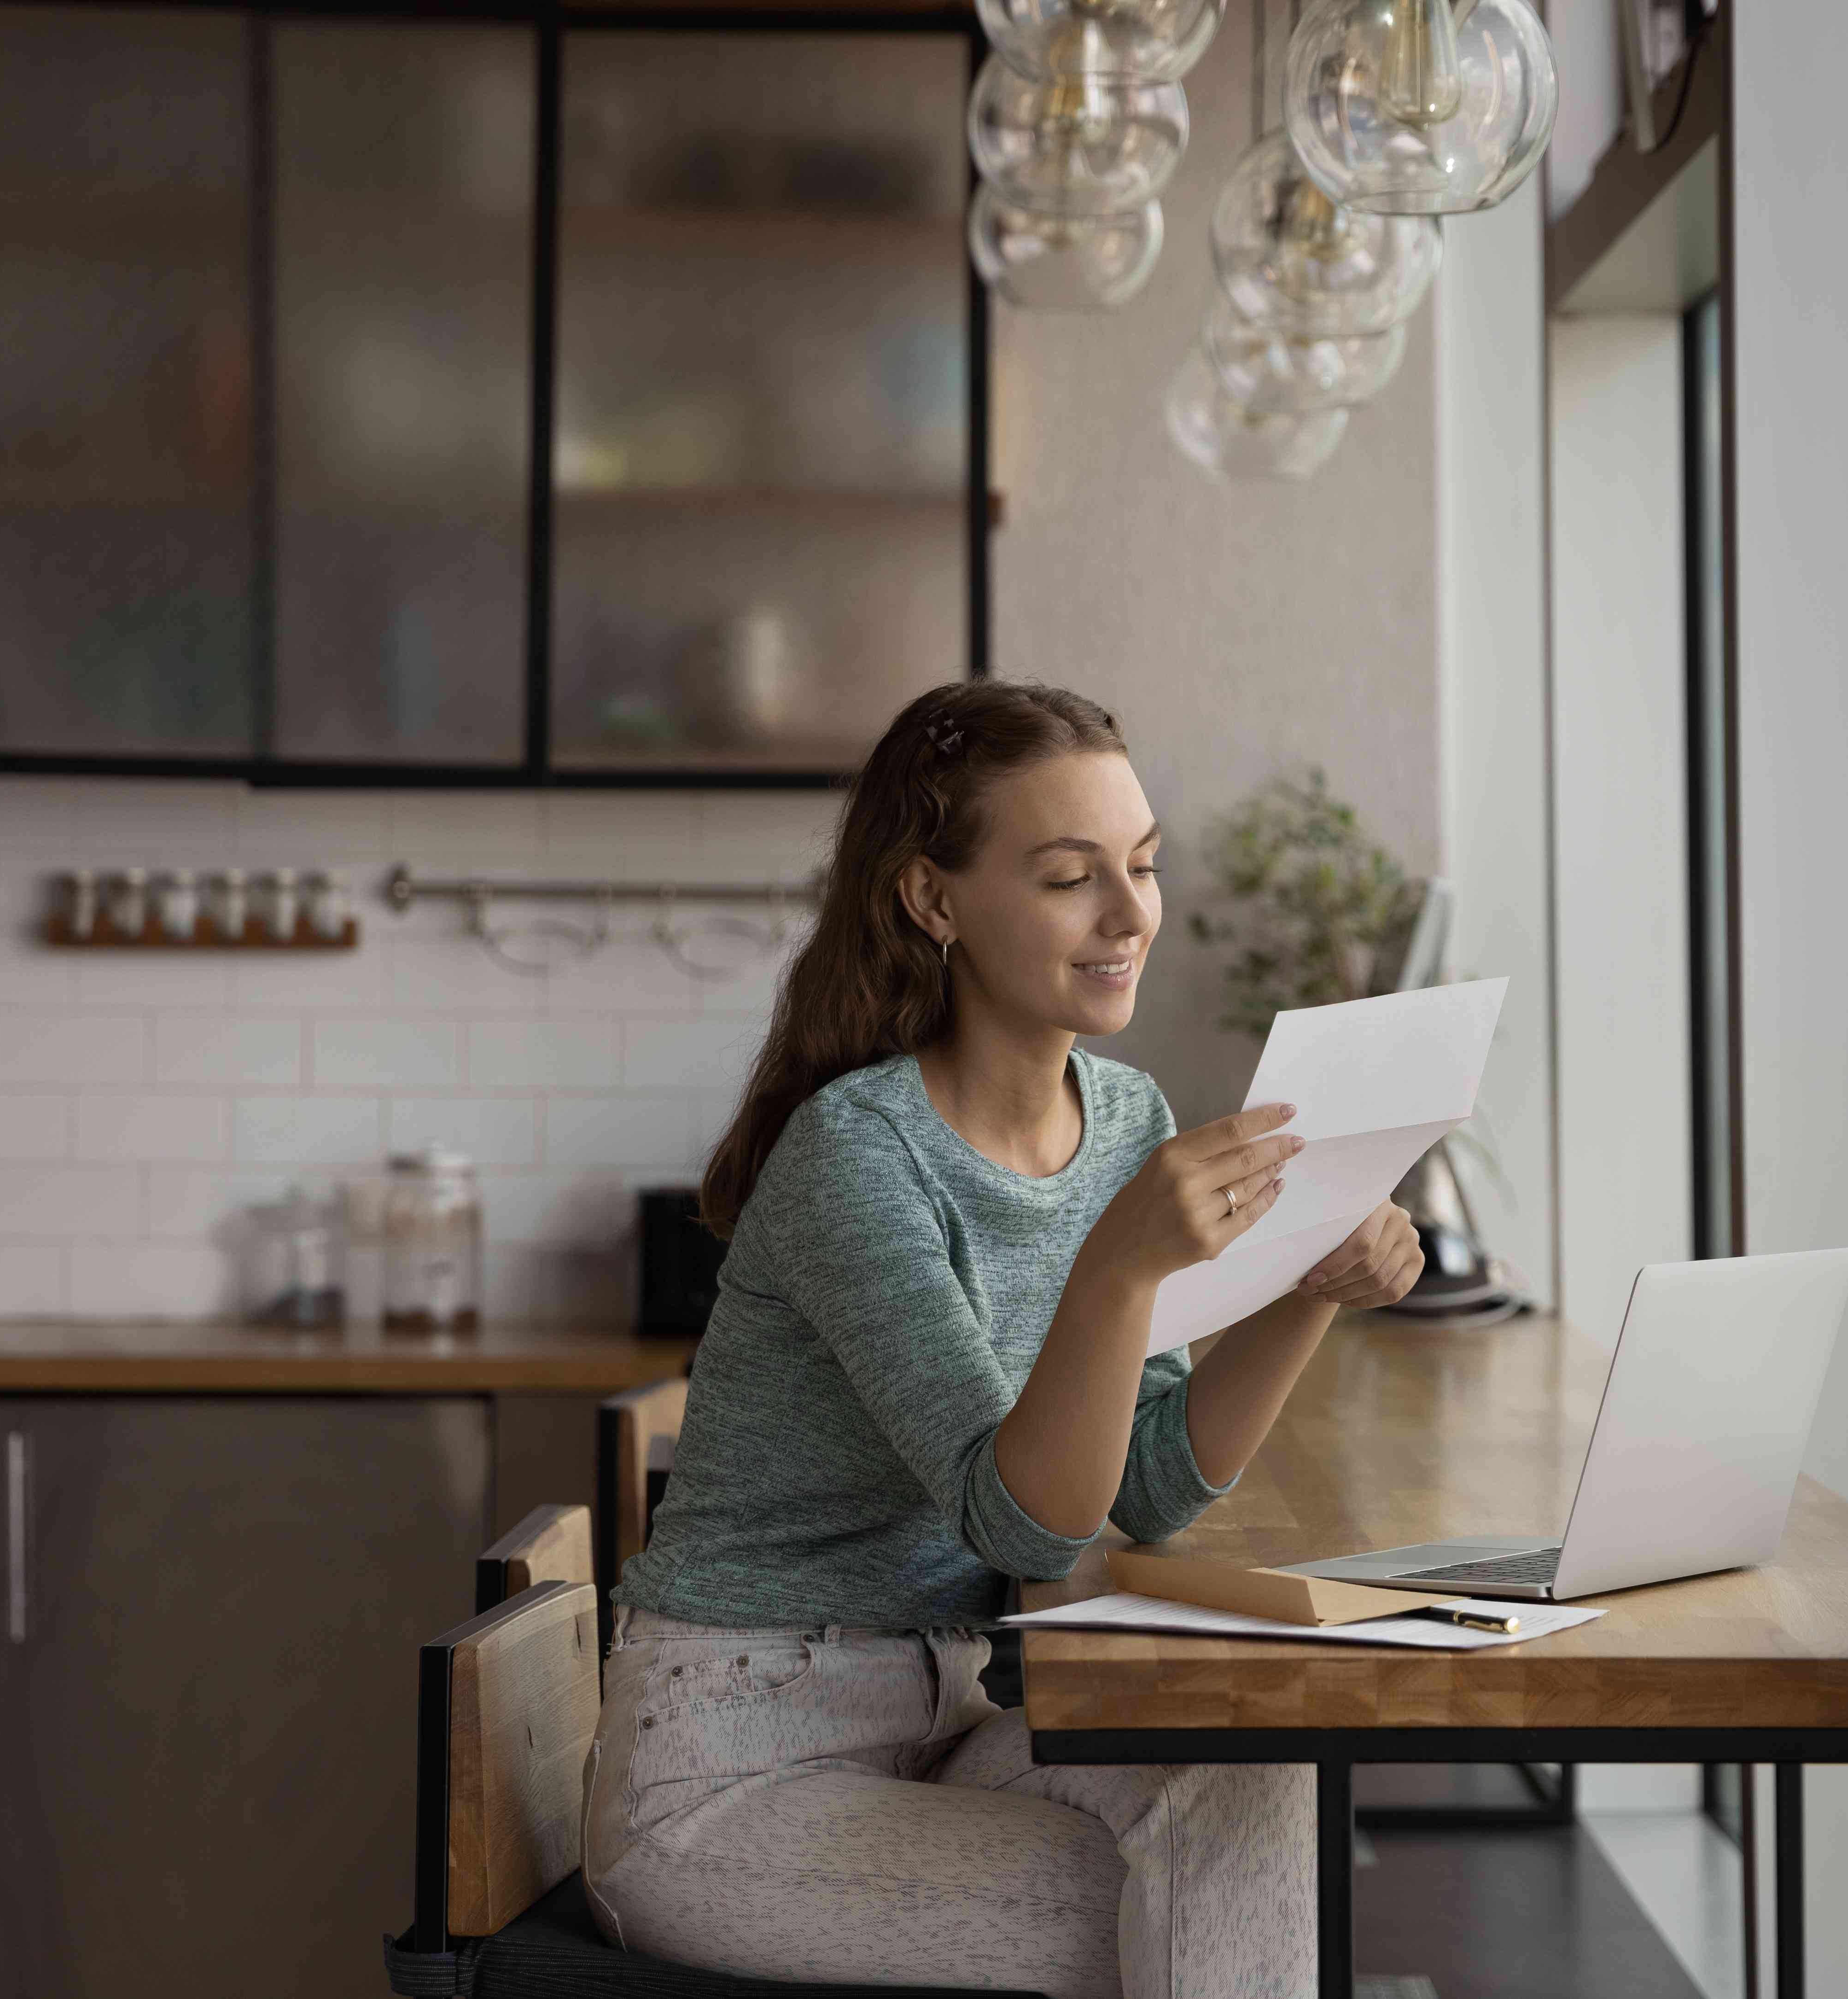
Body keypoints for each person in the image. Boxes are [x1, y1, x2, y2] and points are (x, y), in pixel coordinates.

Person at [582, 681, 1425, 1998]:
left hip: (964, 1714)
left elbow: (1143, 1486)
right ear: (934, 901)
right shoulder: (855, 1156)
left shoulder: (1129, 1114)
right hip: (735, 1763)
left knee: (1260, 1791)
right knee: (1160, 1910)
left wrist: (1308, 1289)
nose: (1131, 916)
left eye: (1142, 868)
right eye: (1070, 878)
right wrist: (1124, 1262)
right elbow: (1022, 1526)